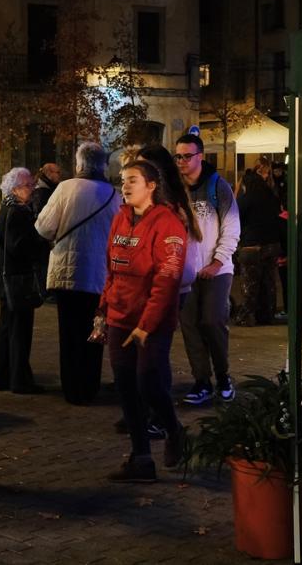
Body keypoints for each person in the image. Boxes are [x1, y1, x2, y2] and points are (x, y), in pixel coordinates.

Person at [100, 160, 188, 482]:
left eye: (132, 180)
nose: (125, 186)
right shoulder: (120, 219)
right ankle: (141, 458)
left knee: (148, 384)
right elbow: (111, 267)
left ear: (151, 185)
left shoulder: (168, 224)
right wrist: (104, 308)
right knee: (125, 388)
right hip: (119, 318)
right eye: (123, 180)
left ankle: (174, 430)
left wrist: (146, 325)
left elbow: (167, 279)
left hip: (150, 323)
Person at [35, 142, 119, 405]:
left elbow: (44, 228)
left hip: (66, 273)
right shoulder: (113, 195)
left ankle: (72, 387)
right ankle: (90, 384)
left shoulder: (65, 188)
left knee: (69, 331)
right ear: (103, 164)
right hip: (98, 274)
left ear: (80, 163)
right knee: (95, 330)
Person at [173, 133, 240, 406]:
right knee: (189, 326)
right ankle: (202, 381)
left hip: (218, 269)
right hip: (185, 273)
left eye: (187, 156)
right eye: (178, 156)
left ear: (200, 156)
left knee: (212, 321)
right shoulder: (173, 190)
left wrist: (217, 261)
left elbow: (232, 228)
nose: (181, 162)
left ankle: (223, 376)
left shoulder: (217, 187)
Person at [0, 167, 49, 394]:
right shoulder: (17, 212)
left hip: (6, 281)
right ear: (15, 189)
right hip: (16, 281)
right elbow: (18, 246)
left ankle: (5, 377)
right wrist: (41, 243)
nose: (32, 189)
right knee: (19, 332)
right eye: (28, 186)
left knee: (8, 329)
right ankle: (19, 379)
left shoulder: (7, 210)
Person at [233, 167, 283, 326]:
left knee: (250, 285)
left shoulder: (246, 199)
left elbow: (235, 217)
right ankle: (267, 314)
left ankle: (246, 316)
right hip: (271, 244)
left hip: (251, 245)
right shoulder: (272, 198)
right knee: (268, 282)